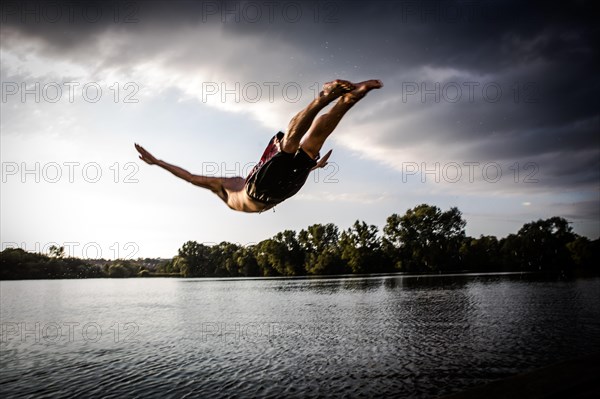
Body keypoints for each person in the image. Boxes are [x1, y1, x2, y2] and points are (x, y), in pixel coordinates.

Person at [134, 79, 382, 213]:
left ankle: (338, 98)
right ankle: (341, 98)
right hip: (273, 188)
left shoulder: (224, 188)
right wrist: (157, 162)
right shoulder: (224, 186)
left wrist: (157, 163)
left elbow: (188, 177)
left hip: (279, 191)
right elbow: (187, 176)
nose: (228, 176)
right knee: (298, 144)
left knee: (304, 145)